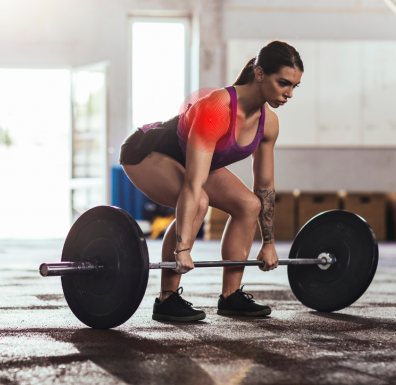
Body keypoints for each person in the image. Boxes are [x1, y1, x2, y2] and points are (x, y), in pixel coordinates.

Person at [120, 40, 304, 322]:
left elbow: (265, 186)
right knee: (199, 203)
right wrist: (183, 249)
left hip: (192, 159)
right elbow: (194, 185)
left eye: (294, 86)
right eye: (283, 83)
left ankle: (231, 297)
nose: (289, 93)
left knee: (249, 205)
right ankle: (167, 298)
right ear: (259, 74)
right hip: (146, 152)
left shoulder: (269, 123)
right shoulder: (217, 108)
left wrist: (268, 242)